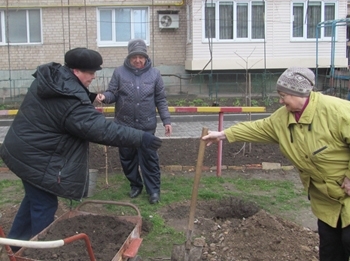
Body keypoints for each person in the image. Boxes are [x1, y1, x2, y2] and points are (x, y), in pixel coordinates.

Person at [0, 47, 162, 248]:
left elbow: (66, 101)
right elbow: (101, 129)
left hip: (24, 150)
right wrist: (142, 138)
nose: (94, 77)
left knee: (33, 200)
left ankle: (14, 246)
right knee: (44, 205)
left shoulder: (55, 79)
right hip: (36, 158)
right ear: (76, 71)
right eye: (91, 73)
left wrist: (88, 95)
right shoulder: (70, 100)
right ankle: (41, 252)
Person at [202, 67, 350, 261]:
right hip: (326, 202)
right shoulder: (283, 118)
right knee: (330, 252)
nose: (280, 100)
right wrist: (223, 135)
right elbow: (258, 128)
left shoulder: (337, 111)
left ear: (300, 93)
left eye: (283, 95)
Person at [96, 39, 172, 204]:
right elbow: (112, 93)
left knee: (149, 159)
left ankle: (153, 191)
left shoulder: (155, 74)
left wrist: (167, 120)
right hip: (124, 126)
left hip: (146, 126)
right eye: (134, 57)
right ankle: (135, 185)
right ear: (129, 57)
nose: (138, 60)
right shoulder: (119, 73)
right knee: (128, 158)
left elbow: (161, 99)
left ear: (146, 57)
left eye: (141, 57)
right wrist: (104, 97)